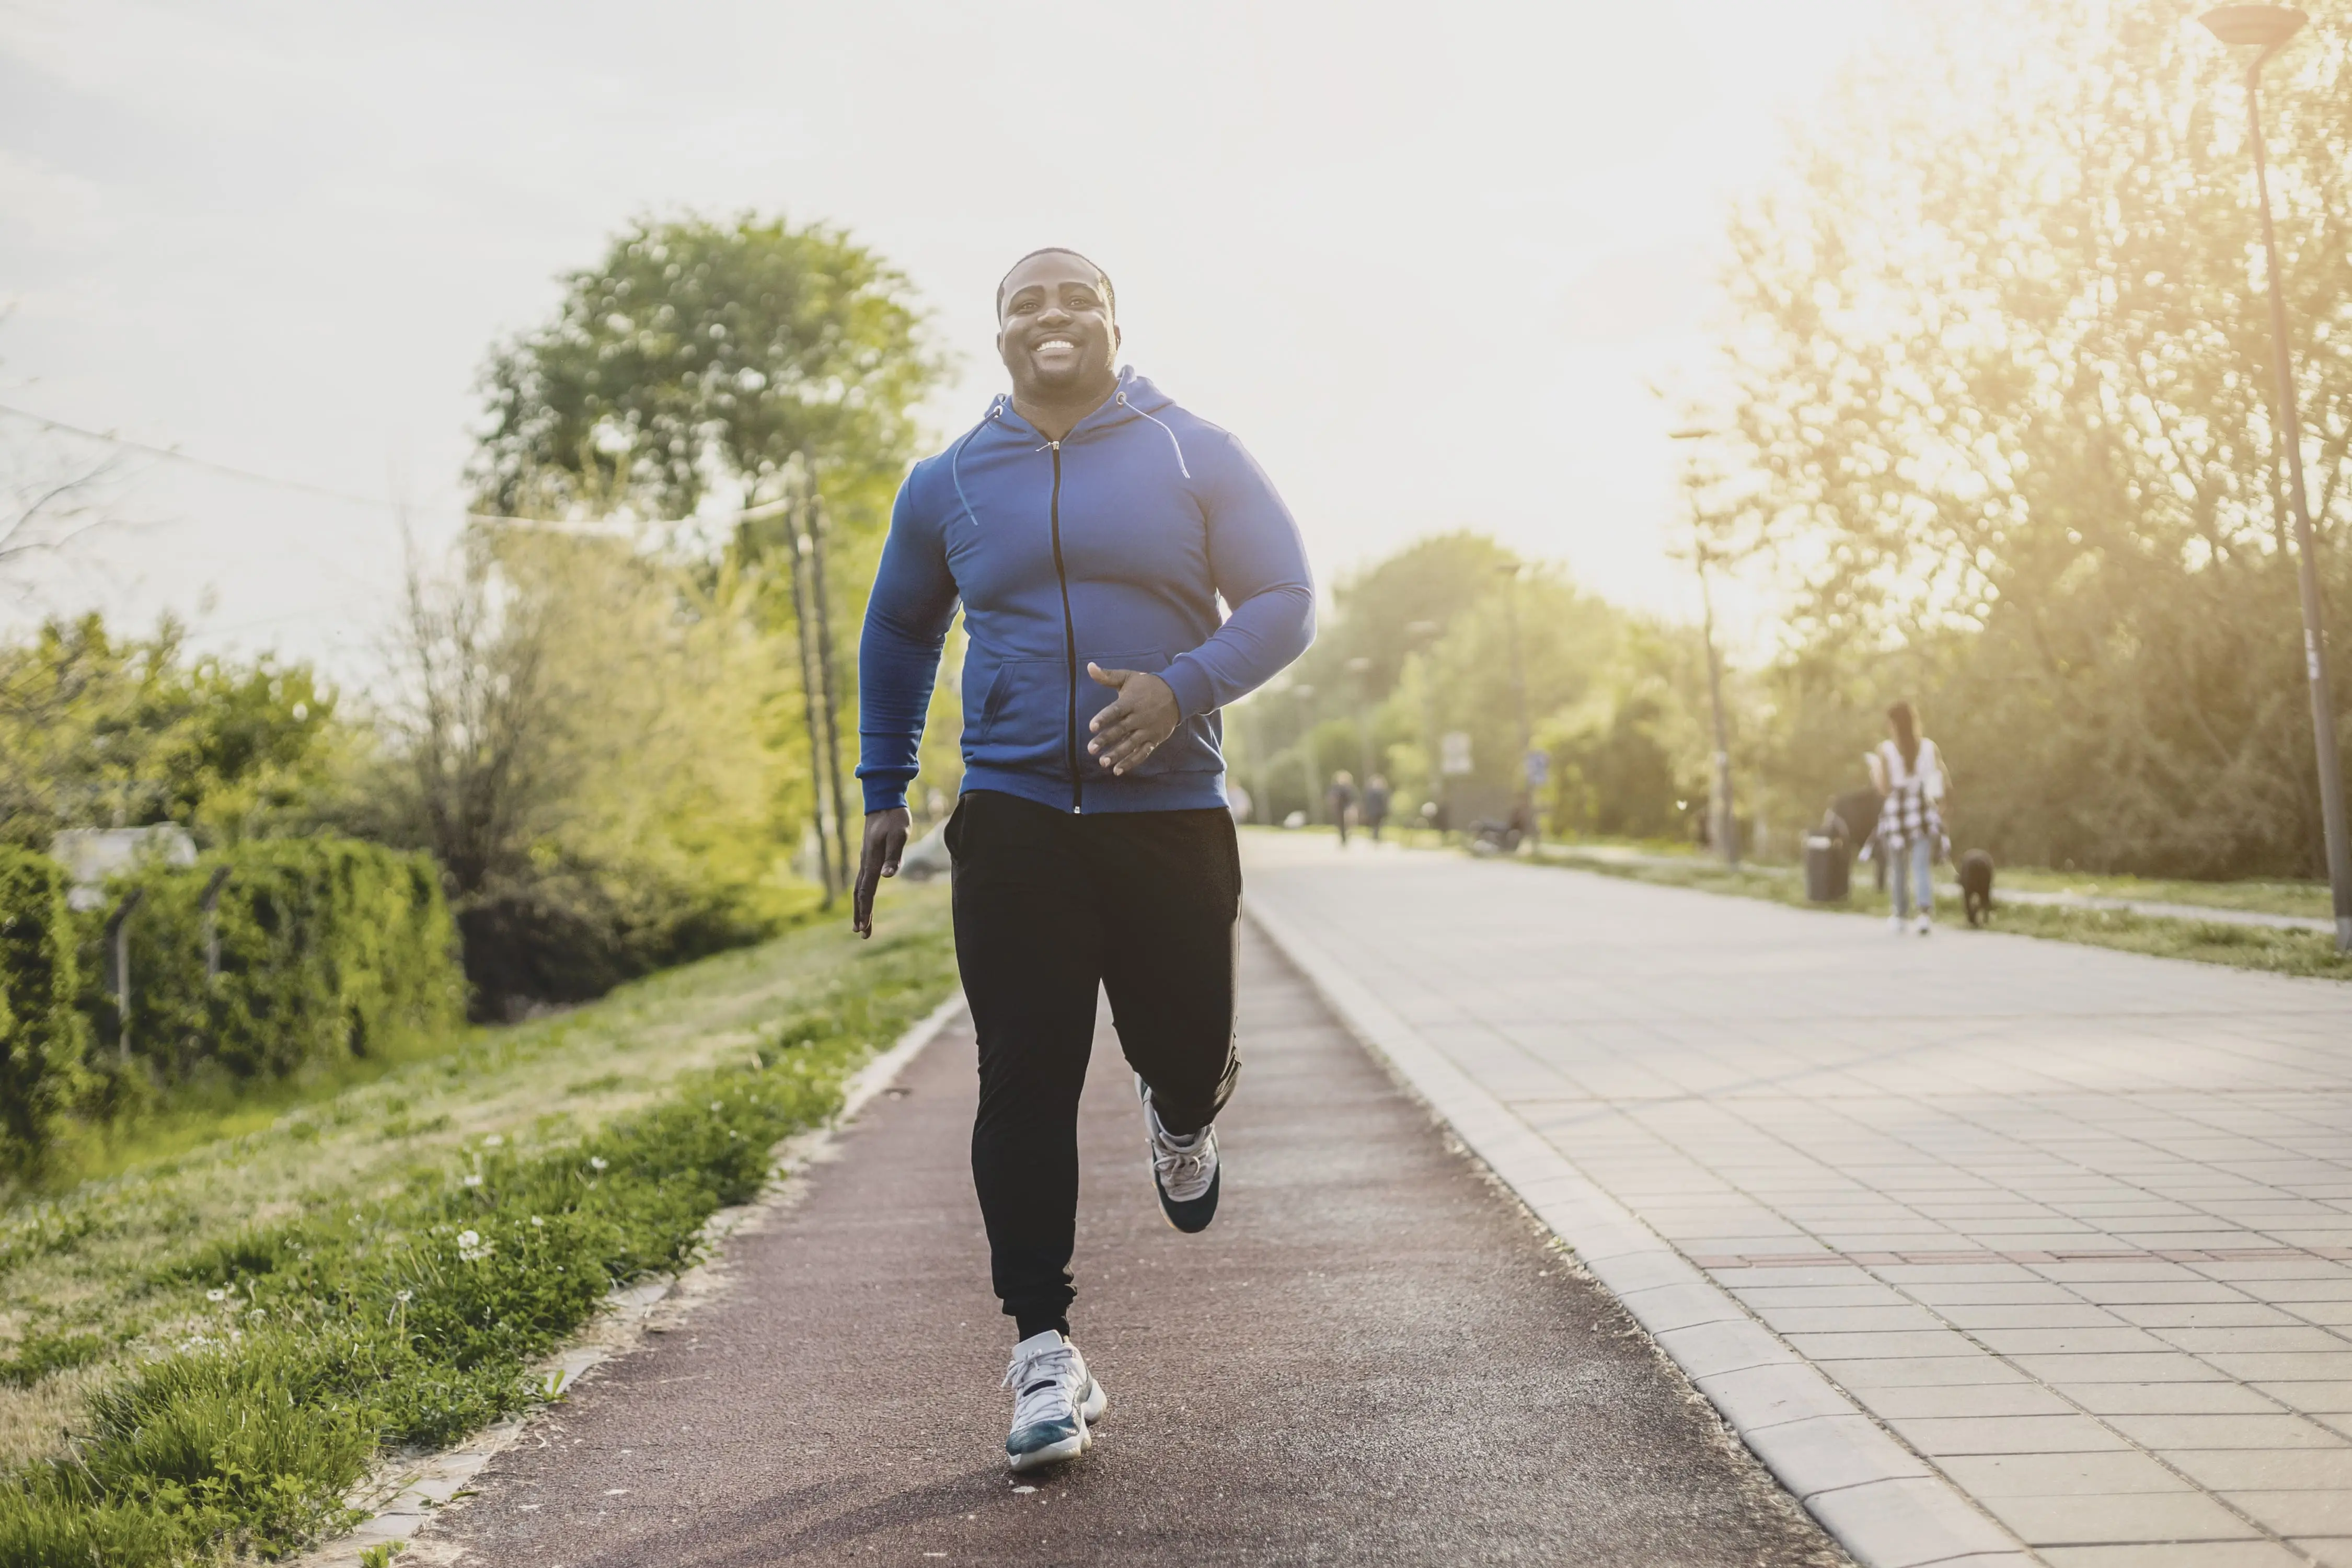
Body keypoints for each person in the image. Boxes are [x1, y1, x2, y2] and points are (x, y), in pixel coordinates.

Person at [850, 248, 1314, 1474]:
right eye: (1024, 303)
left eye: (1072, 299)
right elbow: (899, 625)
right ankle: (1042, 1345)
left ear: (1112, 320)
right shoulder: (947, 480)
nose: (1049, 317)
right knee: (1024, 1072)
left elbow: (1282, 596)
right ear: (998, 332)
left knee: (1178, 1043)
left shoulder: (1190, 451)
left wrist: (1183, 688)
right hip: (1010, 814)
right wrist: (881, 790)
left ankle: (1179, 1109)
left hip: (1166, 810)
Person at [1865, 701, 1949, 936]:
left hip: (1898, 810)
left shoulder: (1886, 750)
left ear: (1893, 724)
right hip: (1922, 808)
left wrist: (1874, 770)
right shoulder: (1929, 748)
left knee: (1898, 866)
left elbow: (1884, 788)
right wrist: (1939, 811)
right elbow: (1940, 781)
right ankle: (1924, 915)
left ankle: (1900, 915)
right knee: (1921, 865)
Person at [1327, 770, 1357, 846]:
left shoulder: (1350, 788)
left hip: (1347, 808)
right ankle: (1343, 839)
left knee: (1349, 823)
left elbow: (1353, 798)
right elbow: (1332, 797)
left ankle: (1347, 835)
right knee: (1341, 824)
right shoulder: (1336, 787)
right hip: (1339, 808)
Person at [1362, 774, 1391, 843]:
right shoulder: (1370, 792)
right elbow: (1367, 802)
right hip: (1372, 811)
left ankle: (1377, 837)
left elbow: (1385, 802)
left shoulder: (1383, 792)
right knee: (1374, 824)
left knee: (1379, 825)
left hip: (1380, 811)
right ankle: (1375, 837)